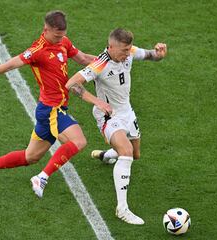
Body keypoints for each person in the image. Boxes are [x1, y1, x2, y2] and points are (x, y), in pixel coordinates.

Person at [0, 10, 95, 199]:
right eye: (56, 36)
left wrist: (109, 60)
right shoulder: (37, 51)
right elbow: (9, 64)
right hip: (51, 110)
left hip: (50, 110)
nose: (60, 39)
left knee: (30, 157)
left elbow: (83, 59)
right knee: (78, 141)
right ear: (45, 29)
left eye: (62, 36)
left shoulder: (63, 42)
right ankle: (41, 177)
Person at [65, 28, 167, 225]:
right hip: (108, 115)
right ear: (111, 47)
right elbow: (72, 83)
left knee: (135, 155)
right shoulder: (100, 64)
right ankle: (122, 208)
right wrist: (97, 102)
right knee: (127, 152)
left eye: (129, 49)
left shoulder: (128, 52)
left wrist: (159, 54)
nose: (127, 54)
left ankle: (108, 154)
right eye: (123, 50)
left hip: (127, 112)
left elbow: (150, 55)